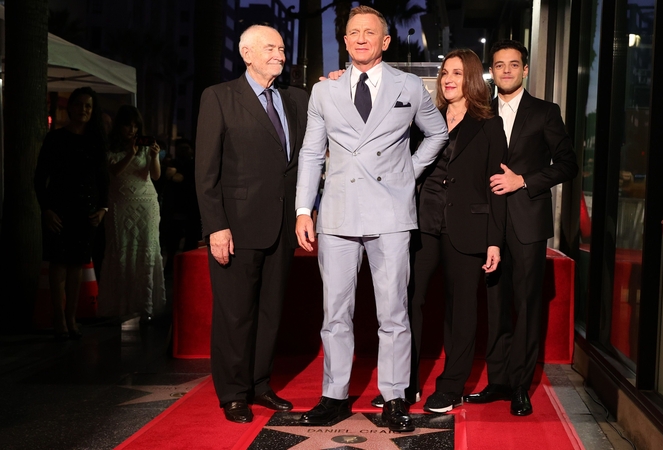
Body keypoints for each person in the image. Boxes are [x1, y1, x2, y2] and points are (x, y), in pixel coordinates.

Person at [294, 5, 448, 433]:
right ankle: (334, 396)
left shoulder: (410, 86)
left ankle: (395, 397)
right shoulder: (324, 91)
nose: (361, 38)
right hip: (338, 213)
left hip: (392, 214)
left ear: (385, 42)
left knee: (393, 313)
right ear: (345, 42)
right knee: (335, 313)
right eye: (353, 32)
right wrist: (304, 209)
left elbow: (437, 133)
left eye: (370, 33)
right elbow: (310, 152)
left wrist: (408, 172)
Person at [195, 24, 308, 424]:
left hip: (282, 227)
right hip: (236, 228)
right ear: (246, 53)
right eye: (271, 48)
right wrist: (215, 227)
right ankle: (233, 393)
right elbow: (205, 172)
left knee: (270, 312)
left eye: (281, 47)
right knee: (235, 313)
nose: (280, 54)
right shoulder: (220, 97)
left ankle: (260, 385)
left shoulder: (296, 99)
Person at [465, 40, 578, 416]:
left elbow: (567, 164)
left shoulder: (546, 112)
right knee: (495, 304)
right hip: (489, 224)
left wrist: (524, 181)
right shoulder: (480, 113)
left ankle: (519, 386)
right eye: (499, 65)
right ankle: (497, 381)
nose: (507, 71)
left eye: (514, 65)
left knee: (526, 305)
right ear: (492, 72)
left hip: (528, 222)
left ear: (525, 69)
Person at [405, 48, 506, 414]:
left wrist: (495, 239)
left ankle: (450, 386)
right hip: (422, 220)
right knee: (409, 300)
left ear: (473, 79)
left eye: (458, 73)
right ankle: (406, 383)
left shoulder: (489, 123)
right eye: (445, 72)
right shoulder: (424, 118)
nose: (448, 79)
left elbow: (497, 184)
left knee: (460, 309)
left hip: (469, 225)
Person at [34, 86, 109, 341]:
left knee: (77, 264)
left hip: (86, 211)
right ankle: (58, 316)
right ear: (70, 107)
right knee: (58, 264)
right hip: (59, 209)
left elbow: (103, 179)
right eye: (79, 105)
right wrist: (46, 209)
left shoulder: (96, 140)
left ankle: (71, 317)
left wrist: (103, 209)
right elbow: (39, 178)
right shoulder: (55, 138)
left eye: (88, 106)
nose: (84, 110)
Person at [98, 105, 166, 324]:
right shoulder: (110, 146)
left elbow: (155, 176)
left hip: (146, 204)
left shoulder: (146, 147)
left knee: (146, 250)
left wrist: (154, 156)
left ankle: (145, 305)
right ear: (120, 126)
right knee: (121, 249)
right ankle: (120, 305)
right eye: (129, 125)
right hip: (120, 204)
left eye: (136, 125)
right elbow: (115, 172)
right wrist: (130, 153)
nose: (132, 129)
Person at [159, 138, 201, 276]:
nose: (184, 151)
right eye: (181, 148)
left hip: (190, 209)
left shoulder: (195, 165)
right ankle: (171, 266)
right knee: (172, 240)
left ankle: (186, 268)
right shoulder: (171, 164)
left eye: (186, 148)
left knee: (190, 241)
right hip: (174, 208)